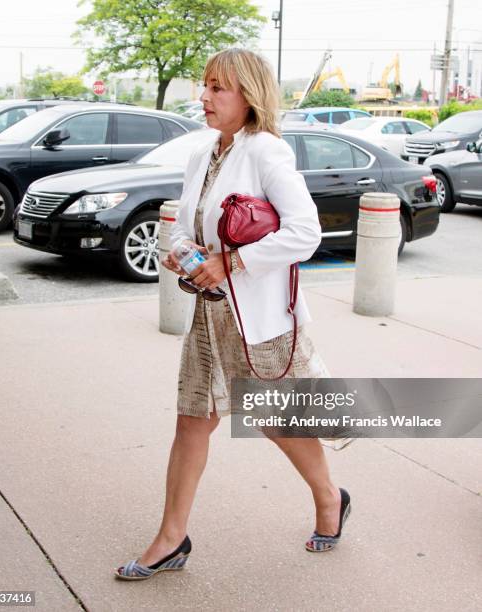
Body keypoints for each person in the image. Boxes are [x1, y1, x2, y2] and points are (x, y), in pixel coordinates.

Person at [114, 48, 351, 581]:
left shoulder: (267, 152)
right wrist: (183, 251)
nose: (205, 96)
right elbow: (184, 221)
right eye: (205, 85)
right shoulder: (202, 154)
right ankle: (172, 538)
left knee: (275, 421)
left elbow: (305, 233)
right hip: (209, 315)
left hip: (259, 320)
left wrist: (232, 261)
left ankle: (330, 498)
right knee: (192, 422)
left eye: (219, 87)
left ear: (248, 94)